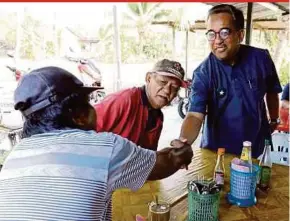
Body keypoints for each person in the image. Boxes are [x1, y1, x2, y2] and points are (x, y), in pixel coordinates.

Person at [0, 67, 193, 220]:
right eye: (90, 103)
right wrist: (183, 153)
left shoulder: (12, 159)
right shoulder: (105, 147)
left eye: (174, 87)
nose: (168, 90)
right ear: (80, 116)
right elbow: (163, 164)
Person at [174, 4, 282, 158]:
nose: (217, 40)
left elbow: (272, 91)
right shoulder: (204, 72)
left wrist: (274, 119)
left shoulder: (261, 58)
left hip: (256, 149)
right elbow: (194, 115)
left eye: (224, 32)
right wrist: (183, 142)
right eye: (211, 34)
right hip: (218, 154)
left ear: (240, 35)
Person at [94, 59, 187, 151]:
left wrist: (171, 155)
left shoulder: (158, 117)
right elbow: (82, 133)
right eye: (162, 82)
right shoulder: (124, 100)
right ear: (148, 78)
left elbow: (146, 157)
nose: (167, 90)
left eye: (174, 87)